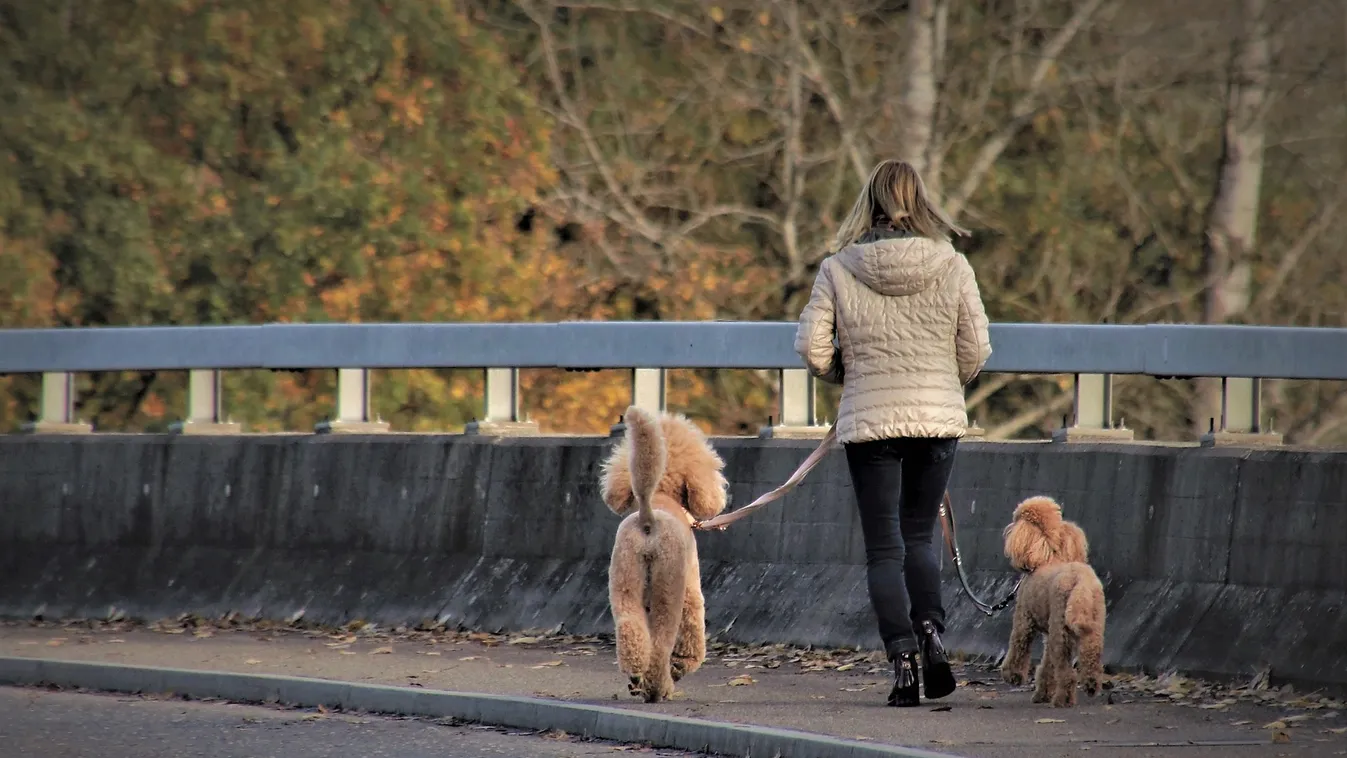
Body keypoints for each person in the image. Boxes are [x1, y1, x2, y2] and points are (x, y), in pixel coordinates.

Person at [794, 158, 992, 707]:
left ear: (870, 203)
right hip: (936, 420)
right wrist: (941, 381)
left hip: (871, 422)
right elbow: (976, 351)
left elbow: (811, 351)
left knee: (884, 548)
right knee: (920, 535)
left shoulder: (838, 268)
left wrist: (847, 372)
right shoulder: (952, 264)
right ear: (921, 200)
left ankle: (902, 658)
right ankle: (931, 632)